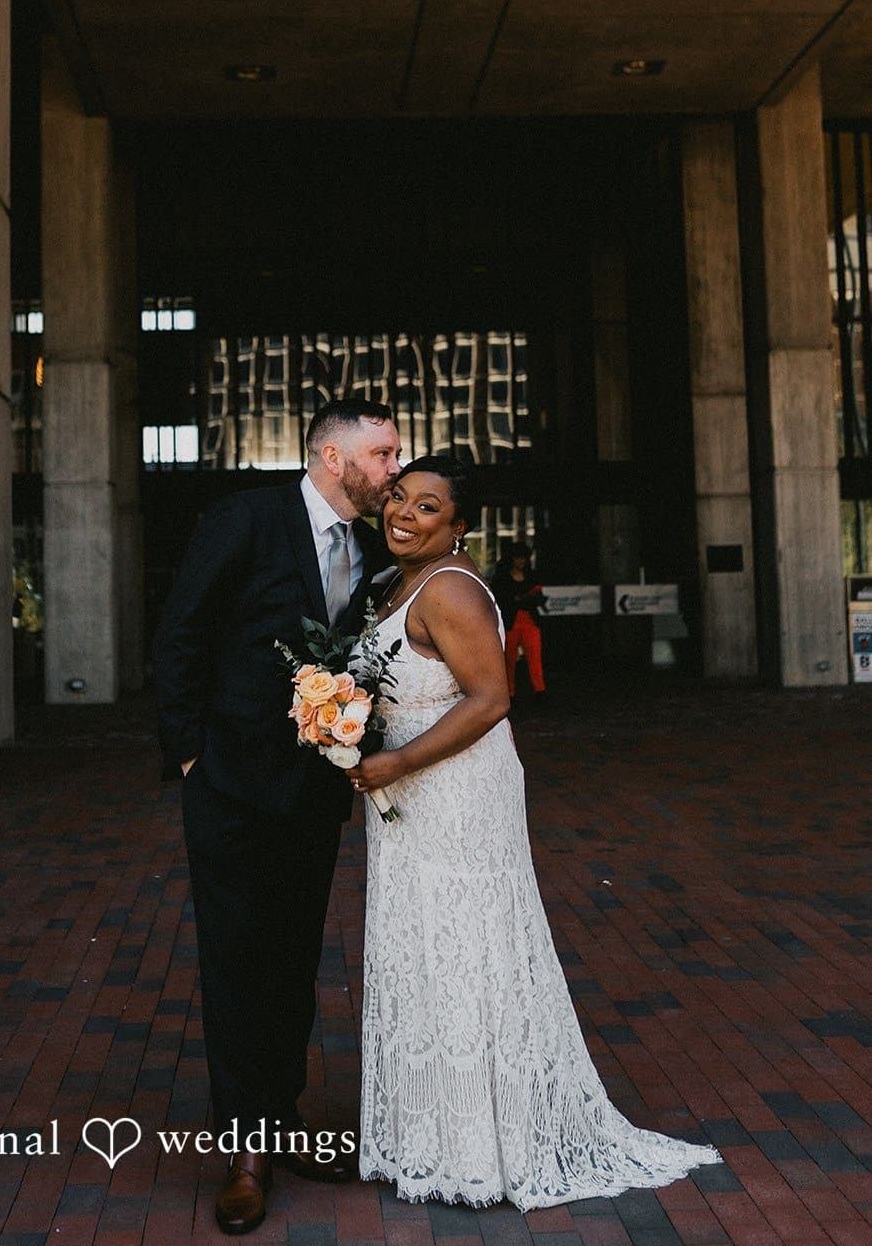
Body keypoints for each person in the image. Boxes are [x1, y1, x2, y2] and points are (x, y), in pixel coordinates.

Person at [346, 455, 720, 1210]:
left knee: (464, 944)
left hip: (452, 788)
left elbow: (491, 699)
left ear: (457, 527)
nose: (402, 514)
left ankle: (485, 1144)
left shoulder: (449, 587)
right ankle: (436, 1132)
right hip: (406, 792)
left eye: (426, 507)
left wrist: (394, 762)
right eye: (397, 498)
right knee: (424, 943)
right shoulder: (395, 582)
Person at [153, 399, 401, 1235]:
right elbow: (181, 632)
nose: (393, 469)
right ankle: (245, 1153)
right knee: (237, 958)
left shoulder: (369, 550)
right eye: (383, 454)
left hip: (309, 792)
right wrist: (190, 756)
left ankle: (280, 1121)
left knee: (293, 958)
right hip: (226, 786)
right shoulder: (246, 519)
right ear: (333, 459)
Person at [490, 538, 547, 698]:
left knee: (535, 658)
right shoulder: (501, 578)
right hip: (511, 623)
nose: (521, 561)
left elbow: (539, 596)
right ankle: (509, 692)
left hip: (530, 622)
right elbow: (499, 600)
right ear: (511, 558)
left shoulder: (531, 576)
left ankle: (540, 689)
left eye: (523, 557)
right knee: (508, 660)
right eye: (518, 557)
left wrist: (524, 599)